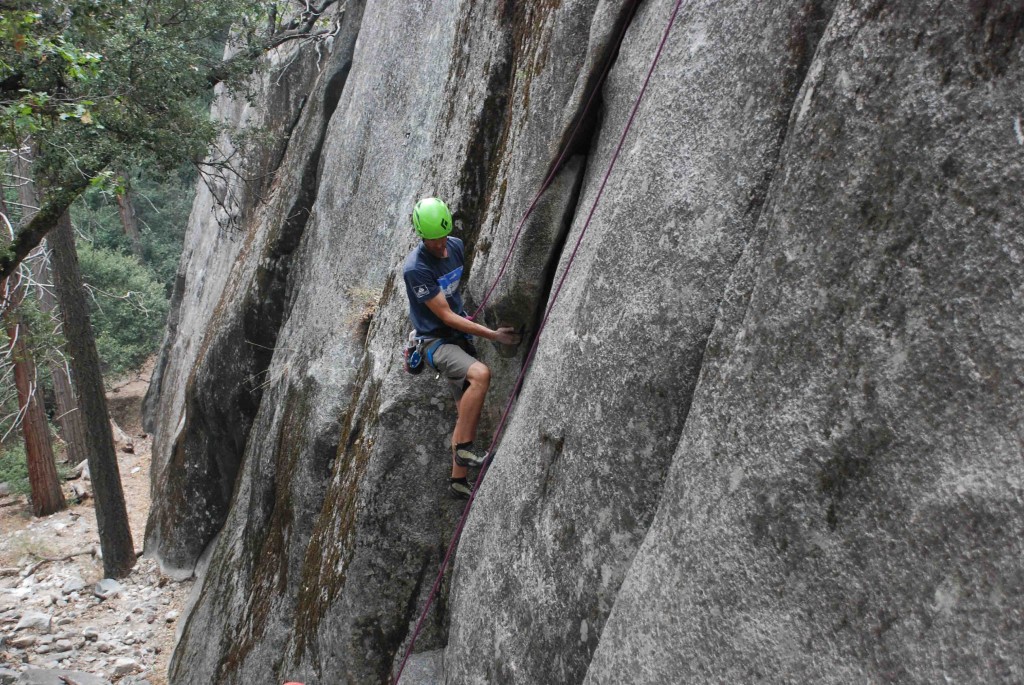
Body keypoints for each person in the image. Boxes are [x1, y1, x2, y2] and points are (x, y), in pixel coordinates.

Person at [402, 197, 520, 499]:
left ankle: (457, 482)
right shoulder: (416, 269)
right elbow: (444, 315)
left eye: (443, 238)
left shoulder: (454, 245)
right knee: (481, 375)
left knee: (465, 413)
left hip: (457, 337)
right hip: (436, 342)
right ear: (421, 236)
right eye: (434, 242)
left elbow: (453, 296)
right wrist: (493, 335)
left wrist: (466, 319)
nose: (441, 246)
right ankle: (465, 451)